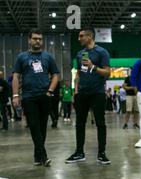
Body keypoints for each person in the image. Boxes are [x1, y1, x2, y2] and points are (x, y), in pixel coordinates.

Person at [12, 29, 60, 167]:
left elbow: (56, 75)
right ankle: (44, 156)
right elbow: (16, 76)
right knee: (34, 126)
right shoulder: (22, 57)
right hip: (28, 97)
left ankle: (37, 156)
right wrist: (15, 95)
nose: (37, 41)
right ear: (29, 40)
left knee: (42, 127)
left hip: (44, 96)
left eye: (40, 39)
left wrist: (50, 90)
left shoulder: (47, 57)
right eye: (35, 38)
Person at [65, 28, 111, 165]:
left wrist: (93, 66)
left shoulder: (102, 52)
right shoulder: (80, 54)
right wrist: (75, 90)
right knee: (79, 124)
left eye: (81, 36)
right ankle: (79, 152)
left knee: (100, 124)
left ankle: (101, 153)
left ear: (90, 37)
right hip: (82, 94)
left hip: (97, 93)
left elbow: (108, 73)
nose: (79, 39)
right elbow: (79, 73)